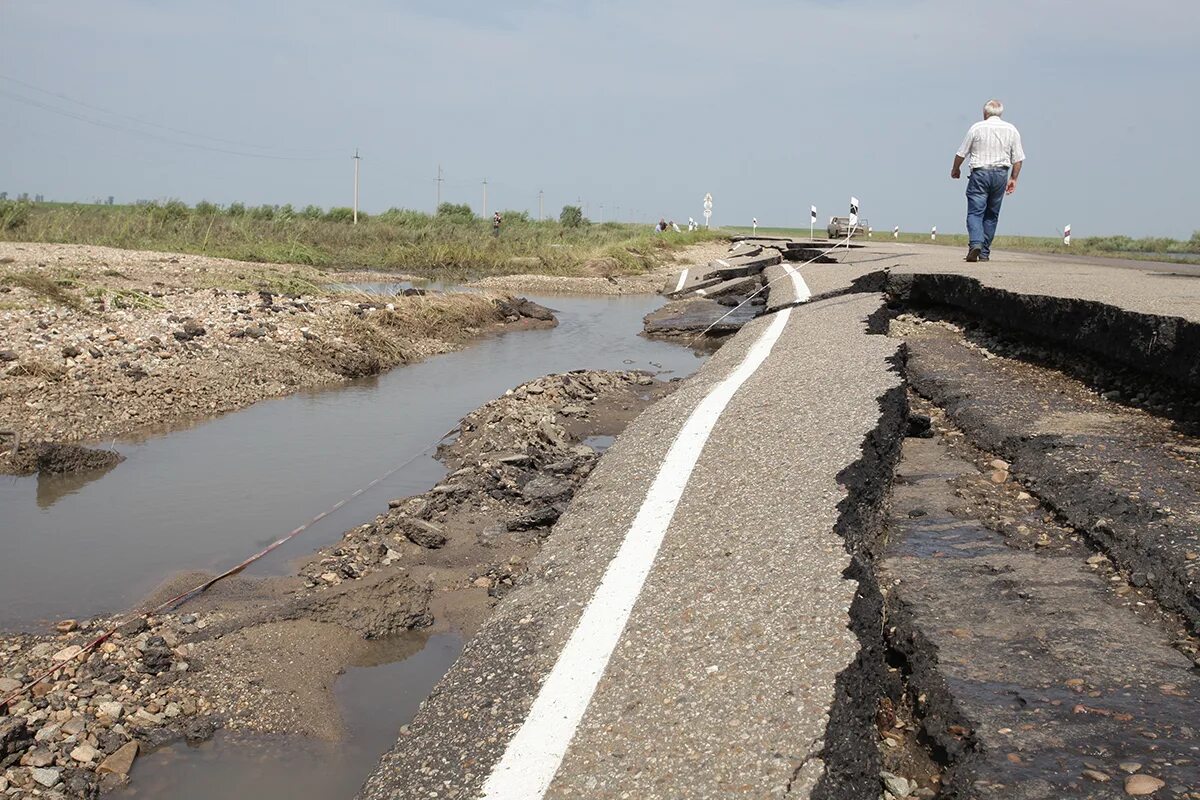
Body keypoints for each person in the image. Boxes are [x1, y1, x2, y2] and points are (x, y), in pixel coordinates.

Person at [951, 99, 1025, 262]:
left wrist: (956, 169)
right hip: (1000, 174)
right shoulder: (1011, 129)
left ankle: (976, 244)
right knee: (992, 214)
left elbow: (961, 153)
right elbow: (1018, 158)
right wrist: (1013, 178)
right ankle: (984, 252)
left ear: (985, 113)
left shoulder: (977, 128)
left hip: (980, 173)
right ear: (1001, 113)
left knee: (975, 212)